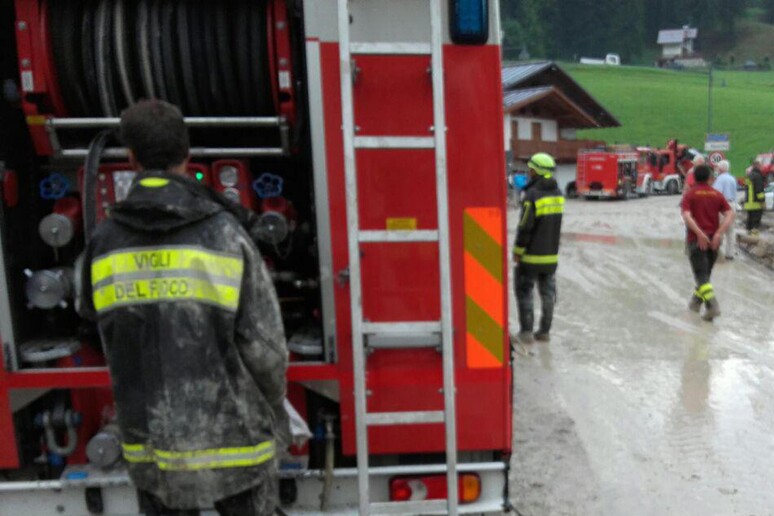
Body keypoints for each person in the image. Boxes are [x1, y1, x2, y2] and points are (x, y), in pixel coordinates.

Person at [80, 100, 288, 516]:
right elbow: (266, 348)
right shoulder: (225, 235)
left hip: (152, 450)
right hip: (236, 447)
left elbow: (94, 327)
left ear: (131, 158)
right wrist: (274, 412)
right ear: (186, 153)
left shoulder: (102, 243)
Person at [513, 152, 564, 343]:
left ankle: (526, 333)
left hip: (530, 257)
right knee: (548, 294)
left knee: (524, 292)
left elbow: (525, 226)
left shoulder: (532, 195)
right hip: (551, 256)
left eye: (530, 169)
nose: (528, 172)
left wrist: (518, 251)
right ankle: (544, 332)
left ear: (535, 171)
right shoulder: (558, 194)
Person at [681, 164, 735, 322]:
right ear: (710, 178)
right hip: (714, 242)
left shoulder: (690, 195)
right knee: (705, 275)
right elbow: (730, 213)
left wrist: (698, 233)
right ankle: (695, 304)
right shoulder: (716, 194)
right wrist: (719, 232)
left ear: (694, 177)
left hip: (696, 241)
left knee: (701, 276)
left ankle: (712, 306)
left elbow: (686, 216)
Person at [712, 159, 738, 259]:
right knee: (731, 230)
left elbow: (716, 194)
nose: (717, 169)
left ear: (721, 168)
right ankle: (730, 253)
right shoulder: (732, 178)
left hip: (723, 206)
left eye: (718, 168)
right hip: (732, 205)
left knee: (720, 228)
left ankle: (716, 251)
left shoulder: (720, 179)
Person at [743, 163, 765, 235]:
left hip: (748, 204)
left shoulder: (748, 176)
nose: (762, 168)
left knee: (750, 222)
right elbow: (759, 191)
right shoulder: (758, 176)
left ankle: (748, 238)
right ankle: (754, 239)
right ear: (758, 167)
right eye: (761, 166)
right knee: (756, 223)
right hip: (756, 204)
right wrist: (762, 202)